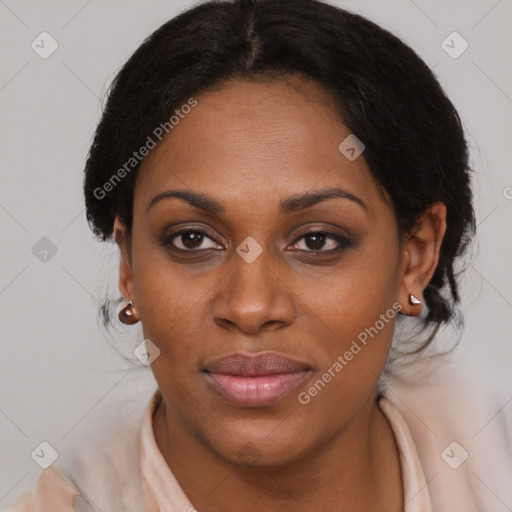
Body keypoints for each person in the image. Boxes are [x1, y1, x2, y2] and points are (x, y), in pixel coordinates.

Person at [4, 0, 511, 510]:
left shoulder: (491, 461)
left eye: (317, 240)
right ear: (129, 266)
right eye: (192, 239)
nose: (249, 307)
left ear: (415, 257)